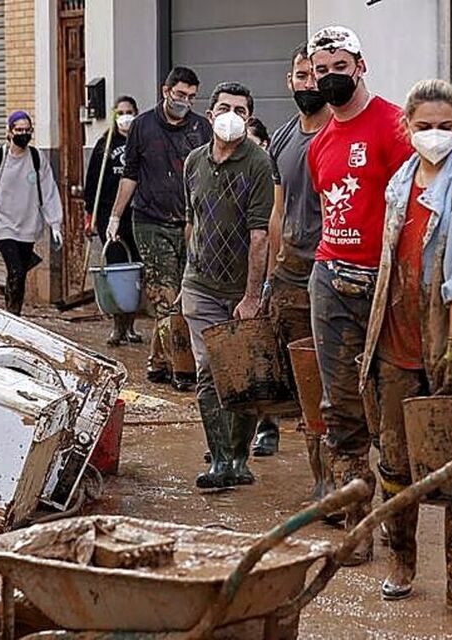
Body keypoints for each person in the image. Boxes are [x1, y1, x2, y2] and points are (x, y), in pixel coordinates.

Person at [358, 79, 452, 617]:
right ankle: (401, 561)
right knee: (394, 459)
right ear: (407, 128)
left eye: (446, 126)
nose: (434, 135)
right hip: (395, 339)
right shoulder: (399, 181)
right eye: (424, 126)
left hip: (444, 341)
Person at [306, 25, 414, 565]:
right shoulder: (321, 141)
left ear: (360, 64)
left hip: (385, 283)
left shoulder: (394, 126)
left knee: (389, 407)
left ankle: (401, 539)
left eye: (338, 66)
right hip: (331, 278)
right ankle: (356, 523)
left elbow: (412, 209)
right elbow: (327, 211)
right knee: (340, 407)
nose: (330, 77)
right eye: (321, 69)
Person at [182, 82, 274, 489]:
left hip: (241, 290)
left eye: (240, 109)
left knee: (243, 376)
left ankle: (239, 458)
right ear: (209, 114)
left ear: (249, 119)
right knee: (208, 373)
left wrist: (252, 296)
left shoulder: (258, 164)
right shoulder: (193, 163)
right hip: (200, 285)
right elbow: (192, 221)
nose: (231, 115)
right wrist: (188, 275)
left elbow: (260, 235)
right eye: (224, 107)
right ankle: (219, 459)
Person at [253, 44, 333, 471]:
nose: (309, 84)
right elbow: (276, 211)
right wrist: (269, 277)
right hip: (289, 272)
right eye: (301, 76)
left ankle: (329, 468)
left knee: (325, 374)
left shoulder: (337, 133)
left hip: (330, 272)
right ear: (290, 81)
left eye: (315, 76)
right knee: (290, 363)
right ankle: (281, 434)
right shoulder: (283, 137)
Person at [109, 66, 212, 389]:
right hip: (150, 222)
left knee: (186, 296)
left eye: (192, 97)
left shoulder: (200, 129)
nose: (185, 101)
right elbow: (130, 174)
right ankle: (180, 368)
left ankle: (156, 361)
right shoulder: (143, 126)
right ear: (166, 91)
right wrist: (115, 216)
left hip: (188, 222)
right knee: (164, 298)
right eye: (180, 95)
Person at [0, 111, 63, 316]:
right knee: (16, 269)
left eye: (26, 130)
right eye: (18, 130)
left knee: (19, 273)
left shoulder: (36, 158)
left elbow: (49, 191)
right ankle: (13, 314)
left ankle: (12, 310)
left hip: (29, 225)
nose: (23, 134)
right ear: (9, 131)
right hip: (3, 225)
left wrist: (55, 223)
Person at [84, 95, 142, 346]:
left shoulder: (141, 142)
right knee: (116, 269)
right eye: (121, 112)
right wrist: (91, 216)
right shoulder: (104, 145)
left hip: (137, 214)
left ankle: (131, 325)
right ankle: (117, 326)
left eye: (129, 111)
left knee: (135, 272)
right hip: (109, 215)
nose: (125, 116)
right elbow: (92, 183)